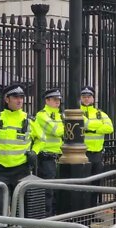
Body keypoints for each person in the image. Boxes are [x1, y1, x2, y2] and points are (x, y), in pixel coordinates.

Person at [0, 84, 44, 219]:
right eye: (16, 97)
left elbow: (42, 140)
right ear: (7, 99)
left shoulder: (29, 120)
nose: (20, 100)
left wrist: (34, 151)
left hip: (21, 170)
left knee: (20, 207)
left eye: (21, 97)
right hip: (1, 170)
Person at [35, 88, 64, 216]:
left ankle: (55, 215)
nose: (57, 102)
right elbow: (57, 131)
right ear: (47, 100)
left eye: (58, 99)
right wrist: (66, 126)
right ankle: (47, 217)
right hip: (46, 157)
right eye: (54, 99)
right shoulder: (42, 115)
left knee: (58, 188)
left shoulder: (60, 115)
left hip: (58, 156)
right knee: (48, 190)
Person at [80, 86, 114, 176]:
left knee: (97, 181)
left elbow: (110, 128)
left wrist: (93, 130)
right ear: (80, 98)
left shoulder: (100, 113)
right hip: (82, 153)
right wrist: (99, 126)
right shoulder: (77, 112)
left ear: (93, 98)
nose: (86, 99)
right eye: (84, 97)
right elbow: (83, 124)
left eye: (89, 97)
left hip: (97, 153)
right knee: (83, 182)